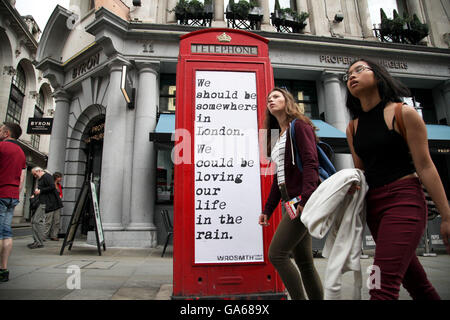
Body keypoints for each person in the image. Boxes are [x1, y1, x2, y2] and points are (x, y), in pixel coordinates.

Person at [344, 58, 450, 300]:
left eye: (359, 70)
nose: (351, 76)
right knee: (417, 284)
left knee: (380, 285)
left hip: (404, 201)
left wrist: (446, 216)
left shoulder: (404, 113)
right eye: (348, 74)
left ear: (378, 76)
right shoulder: (352, 127)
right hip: (374, 208)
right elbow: (361, 175)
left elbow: (425, 166)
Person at [258, 87, 323, 300]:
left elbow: (311, 162)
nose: (271, 100)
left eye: (276, 96)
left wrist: (306, 198)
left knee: (277, 254)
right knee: (304, 262)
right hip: (290, 202)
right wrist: (268, 210)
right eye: (268, 99)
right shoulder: (278, 137)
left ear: (287, 101)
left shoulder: (300, 126)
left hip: (300, 200)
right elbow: (279, 180)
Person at [0, 122, 26, 282]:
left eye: (1, 130)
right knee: (6, 232)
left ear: (7, 133)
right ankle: (3, 268)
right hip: (13, 195)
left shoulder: (2, 147)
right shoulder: (21, 153)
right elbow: (22, 178)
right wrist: (16, 193)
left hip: (1, 192)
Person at [28, 167, 63, 249]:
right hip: (41, 201)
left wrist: (41, 191)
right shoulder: (41, 179)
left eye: (35, 174)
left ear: (39, 171)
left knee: (37, 221)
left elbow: (52, 187)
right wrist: (36, 193)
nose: (34, 176)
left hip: (44, 203)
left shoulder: (47, 176)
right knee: (34, 221)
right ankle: (36, 241)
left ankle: (39, 241)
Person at [44, 172, 63, 241]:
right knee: (48, 221)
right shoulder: (50, 184)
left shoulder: (59, 185)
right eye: (60, 177)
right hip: (50, 205)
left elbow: (61, 194)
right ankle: (44, 236)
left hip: (57, 205)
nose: (61, 179)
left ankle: (54, 235)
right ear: (56, 177)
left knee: (56, 221)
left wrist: (60, 196)